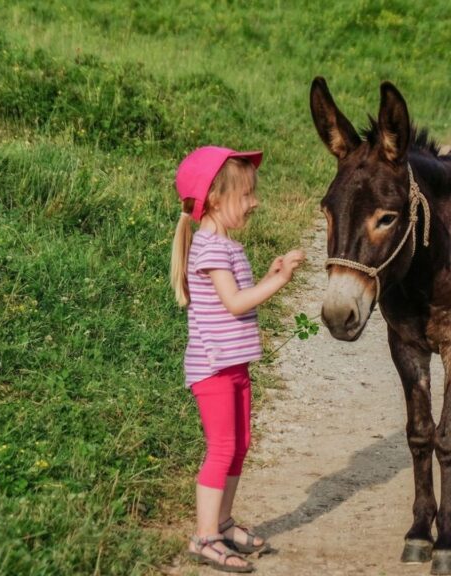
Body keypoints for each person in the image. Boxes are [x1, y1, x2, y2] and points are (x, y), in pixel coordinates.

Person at [171, 146, 304, 572]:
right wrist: (279, 282)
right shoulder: (210, 247)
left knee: (239, 445)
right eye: (246, 195)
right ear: (213, 199)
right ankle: (205, 536)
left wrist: (267, 275)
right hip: (213, 367)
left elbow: (240, 300)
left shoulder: (224, 244)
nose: (255, 202)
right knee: (222, 447)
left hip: (234, 365)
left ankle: (223, 522)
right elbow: (233, 303)